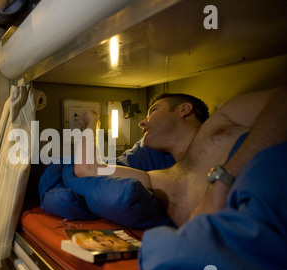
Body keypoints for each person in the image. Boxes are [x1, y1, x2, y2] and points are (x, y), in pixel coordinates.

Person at [75, 87, 287, 226]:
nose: (142, 122)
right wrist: (93, 123)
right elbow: (87, 168)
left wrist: (223, 181)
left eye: (153, 111)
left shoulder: (222, 120)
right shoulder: (161, 179)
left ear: (184, 110)